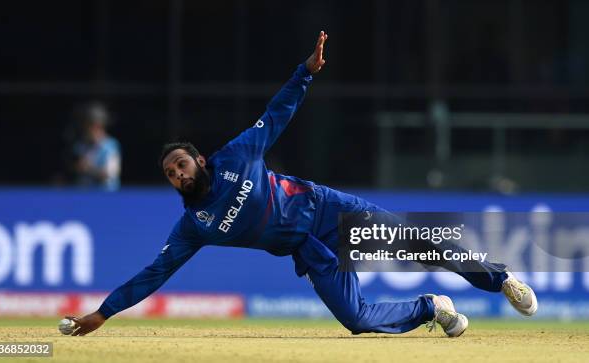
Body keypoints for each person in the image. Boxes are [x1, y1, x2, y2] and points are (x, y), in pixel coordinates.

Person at [66, 31, 537, 337]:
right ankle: (431, 307)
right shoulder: (194, 227)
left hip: (331, 211)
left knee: (419, 243)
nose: (177, 175)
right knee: (356, 319)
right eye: (170, 174)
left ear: (199, 160)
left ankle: (501, 280)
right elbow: (154, 274)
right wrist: (103, 313)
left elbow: (276, 116)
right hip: (311, 248)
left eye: (181, 165)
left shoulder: (236, 156)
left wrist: (304, 74)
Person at [72, 102, 121, 191]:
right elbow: (75, 167)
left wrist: (89, 169)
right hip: (83, 193)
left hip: (105, 195)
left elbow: (111, 174)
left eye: (91, 126)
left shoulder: (111, 146)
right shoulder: (80, 145)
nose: (88, 130)